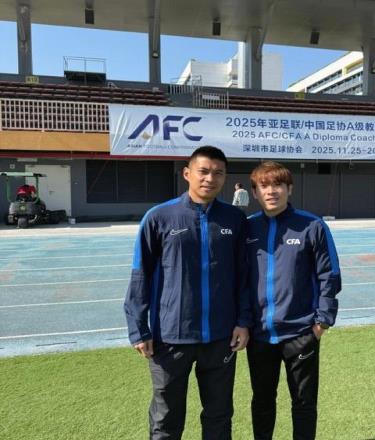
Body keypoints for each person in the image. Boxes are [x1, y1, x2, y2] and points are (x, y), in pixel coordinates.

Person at [124, 146, 251, 440]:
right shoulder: (159, 217)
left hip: (220, 337)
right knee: (166, 419)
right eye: (203, 171)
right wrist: (138, 329)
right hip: (171, 337)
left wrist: (243, 321)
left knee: (219, 415)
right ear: (187, 174)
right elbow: (140, 274)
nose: (210, 179)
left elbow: (243, 275)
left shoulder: (234, 219)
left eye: (218, 173)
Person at [245, 161, 342, 440]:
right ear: (255, 192)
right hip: (260, 335)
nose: (271, 191)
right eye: (264, 186)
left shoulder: (312, 225)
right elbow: (239, 278)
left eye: (278, 185)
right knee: (262, 401)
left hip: (301, 333)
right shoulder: (248, 228)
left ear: (289, 189)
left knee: (303, 402)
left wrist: (322, 323)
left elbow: (330, 275)